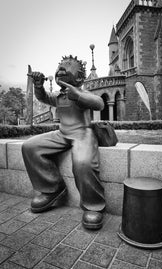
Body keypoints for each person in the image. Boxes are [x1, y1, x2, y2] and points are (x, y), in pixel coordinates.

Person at [22, 55, 105, 230]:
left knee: (83, 163)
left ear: (80, 77)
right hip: (62, 134)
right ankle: (52, 188)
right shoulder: (59, 96)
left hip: (83, 133)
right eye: (60, 66)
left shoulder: (82, 92)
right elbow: (43, 97)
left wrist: (79, 96)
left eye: (67, 66)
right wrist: (39, 86)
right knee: (30, 147)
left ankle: (93, 206)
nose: (61, 68)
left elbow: (99, 104)